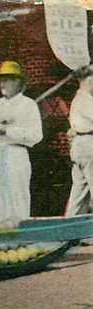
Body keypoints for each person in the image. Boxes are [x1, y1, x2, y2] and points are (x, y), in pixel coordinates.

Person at [0, 61, 42, 223]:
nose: (2, 83)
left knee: (17, 195)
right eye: (1, 80)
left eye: (7, 79)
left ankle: (19, 236)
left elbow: (36, 135)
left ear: (18, 82)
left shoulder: (28, 105)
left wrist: (8, 131)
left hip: (16, 153)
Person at [64, 65, 93, 217]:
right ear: (87, 80)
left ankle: (68, 228)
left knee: (79, 192)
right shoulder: (84, 99)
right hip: (88, 144)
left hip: (82, 146)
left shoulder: (80, 99)